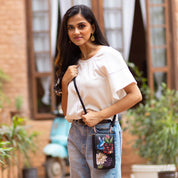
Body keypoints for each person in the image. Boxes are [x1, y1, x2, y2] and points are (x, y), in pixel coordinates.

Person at [55, 5, 142, 178]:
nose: (76, 32)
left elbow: (135, 95)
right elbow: (67, 113)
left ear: (92, 27)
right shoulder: (72, 62)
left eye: (81, 26)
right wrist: (65, 83)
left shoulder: (108, 56)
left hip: (103, 133)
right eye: (70, 28)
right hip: (75, 133)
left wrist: (100, 115)